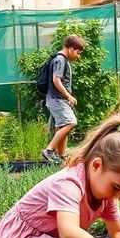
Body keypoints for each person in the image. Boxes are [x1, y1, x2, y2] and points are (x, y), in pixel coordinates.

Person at [42, 35, 85, 163]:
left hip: (57, 99)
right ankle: (49, 150)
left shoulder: (61, 59)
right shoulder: (60, 59)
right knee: (71, 122)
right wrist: (68, 96)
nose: (78, 56)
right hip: (57, 99)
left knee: (62, 127)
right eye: (78, 52)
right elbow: (56, 80)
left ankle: (61, 156)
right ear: (71, 48)